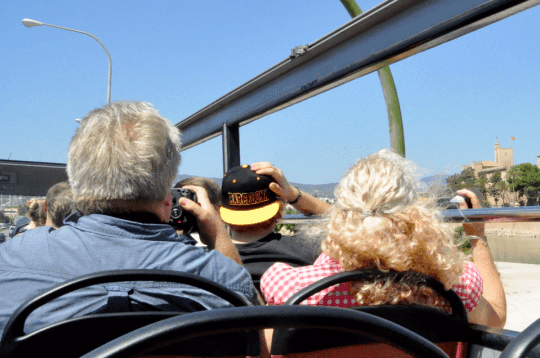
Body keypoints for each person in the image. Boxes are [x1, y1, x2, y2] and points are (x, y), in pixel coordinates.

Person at [0, 101, 255, 334]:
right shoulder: (222, 278)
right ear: (168, 199)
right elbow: (260, 343)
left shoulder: (11, 260)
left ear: (76, 182)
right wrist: (219, 237)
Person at [260, 150, 507, 329]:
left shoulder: (292, 288)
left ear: (340, 218)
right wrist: (478, 237)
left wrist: (295, 196)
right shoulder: (456, 287)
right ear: (416, 214)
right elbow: (497, 317)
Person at [219, 163, 330, 283]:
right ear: (280, 210)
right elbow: (341, 220)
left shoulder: (214, 263)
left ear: (222, 214)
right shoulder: (307, 250)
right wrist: (293, 194)